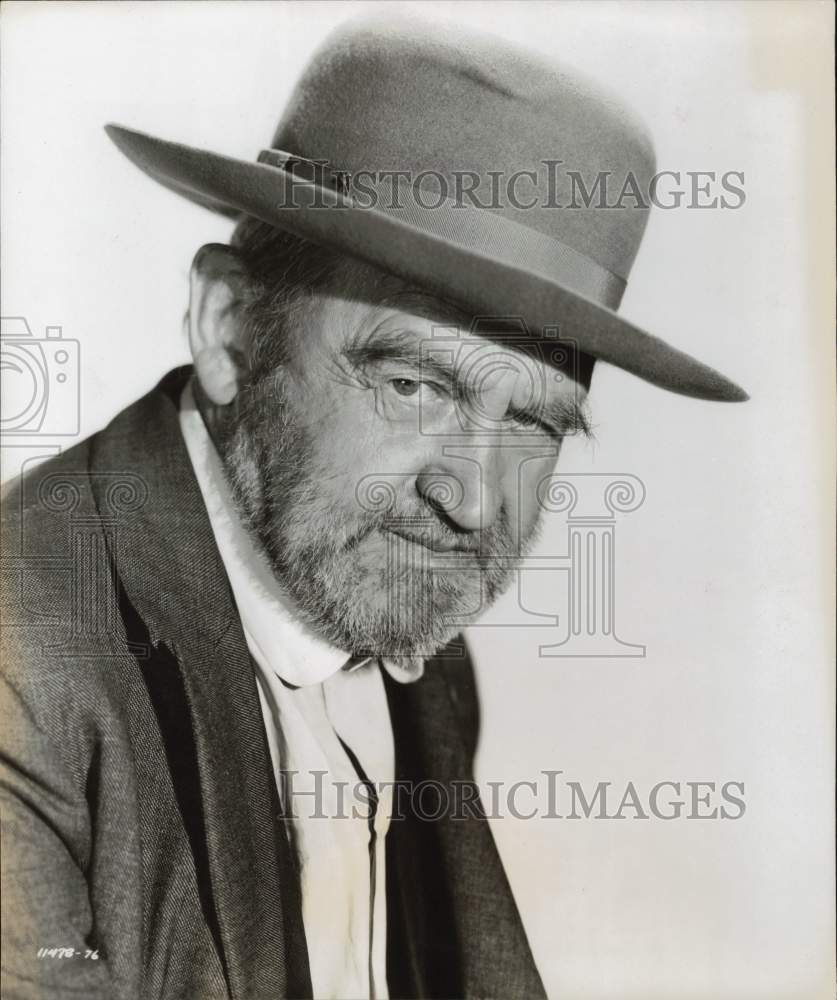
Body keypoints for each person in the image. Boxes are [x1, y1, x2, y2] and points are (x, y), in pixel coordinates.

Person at [0, 12, 746, 1000]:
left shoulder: (421, 652)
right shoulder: (25, 661)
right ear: (228, 332)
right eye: (415, 387)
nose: (473, 500)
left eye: (535, 424)